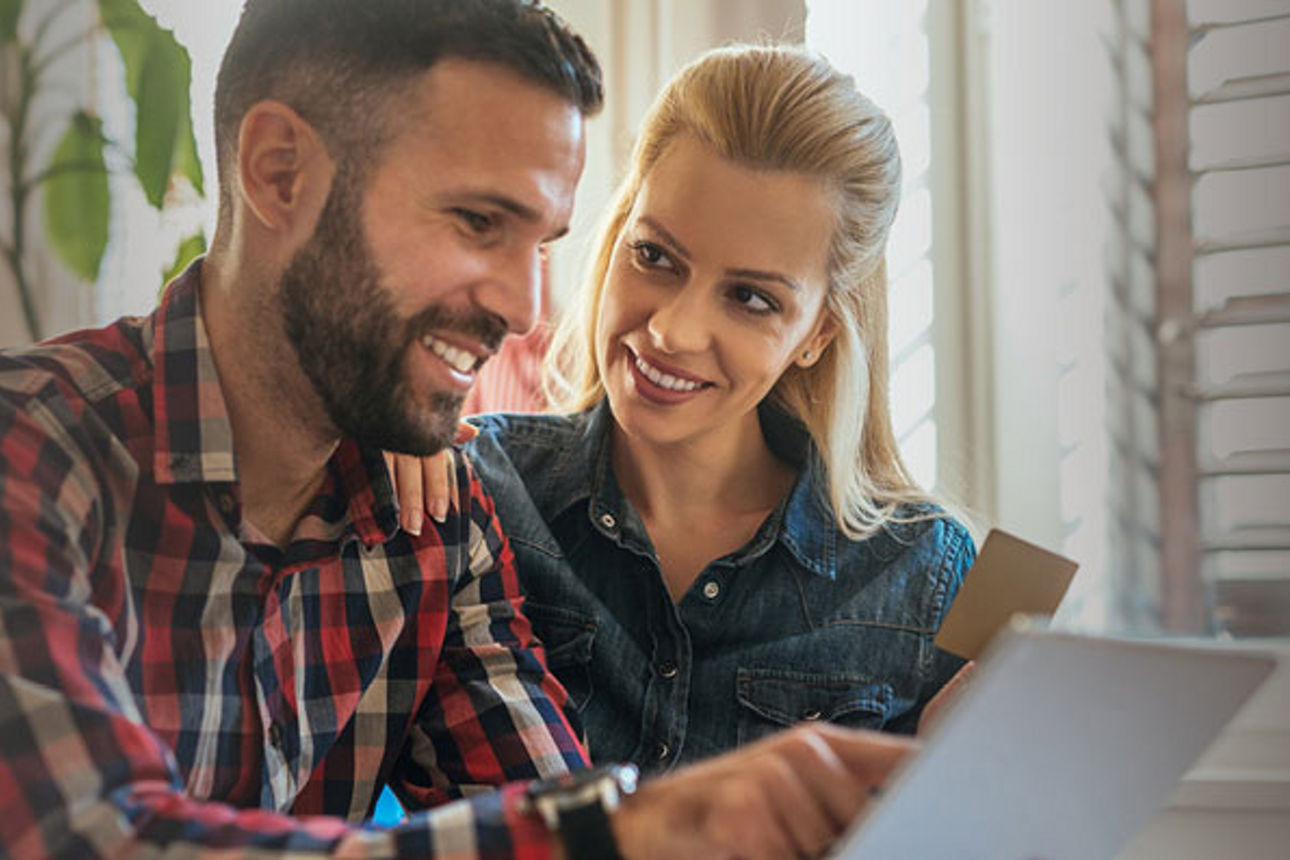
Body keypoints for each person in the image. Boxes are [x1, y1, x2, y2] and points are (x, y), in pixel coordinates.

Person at [0, 2, 916, 858]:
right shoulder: (31, 454)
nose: (525, 310)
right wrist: (645, 822)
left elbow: (556, 816)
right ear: (280, 173)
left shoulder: (435, 522)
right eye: (479, 222)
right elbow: (89, 838)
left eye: (542, 243)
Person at [392, 43, 977, 774]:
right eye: (656, 257)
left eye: (751, 298)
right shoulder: (468, 489)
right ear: (618, 234)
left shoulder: (927, 574)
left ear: (817, 335)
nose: (673, 331)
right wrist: (370, 425)